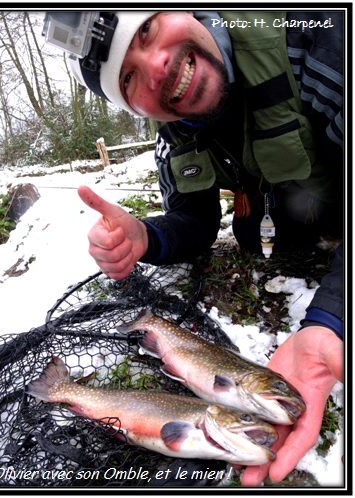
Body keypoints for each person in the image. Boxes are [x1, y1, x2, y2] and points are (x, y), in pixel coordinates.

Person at [59, 11, 344, 485]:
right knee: (253, 232)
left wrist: (332, 316)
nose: (158, 68)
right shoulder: (174, 130)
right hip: (293, 214)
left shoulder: (317, 39)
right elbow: (194, 220)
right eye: (129, 78)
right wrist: (144, 236)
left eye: (146, 30)